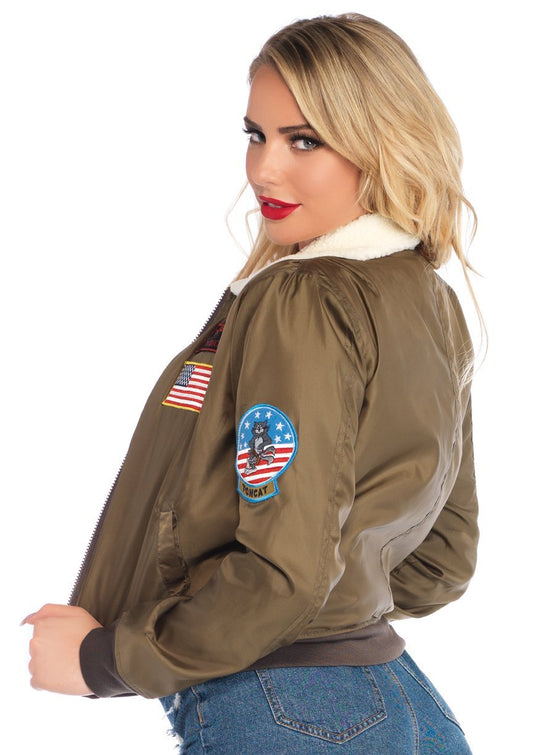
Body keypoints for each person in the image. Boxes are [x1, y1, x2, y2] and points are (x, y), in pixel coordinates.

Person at [24, 13, 479, 753]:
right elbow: (442, 558)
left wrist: (105, 659)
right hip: (404, 703)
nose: (264, 170)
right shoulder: (426, 297)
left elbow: (286, 572)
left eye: (305, 140)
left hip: (283, 707)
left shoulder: (298, 297)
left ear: (380, 143)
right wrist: (342, 601)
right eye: (255, 135)